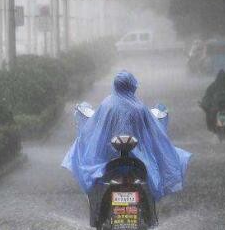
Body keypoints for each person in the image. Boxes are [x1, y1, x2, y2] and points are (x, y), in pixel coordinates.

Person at [62, 71, 191, 203]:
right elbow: (153, 131)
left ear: (116, 85)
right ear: (132, 86)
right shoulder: (139, 107)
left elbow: (95, 128)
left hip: (108, 156)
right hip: (140, 157)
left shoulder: (107, 105)